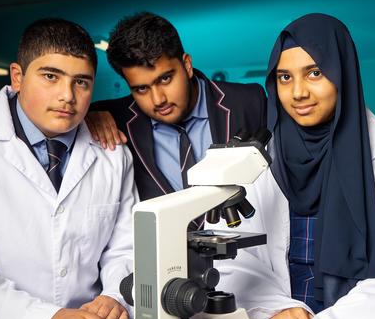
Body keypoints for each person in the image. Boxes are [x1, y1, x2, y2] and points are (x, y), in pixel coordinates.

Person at [212, 13, 375, 319]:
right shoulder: (259, 159)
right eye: (284, 77)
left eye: (315, 73)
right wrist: (275, 308)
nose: (298, 93)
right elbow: (232, 256)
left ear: (342, 72)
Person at [0, 18, 137, 319]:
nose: (67, 96)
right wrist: (50, 317)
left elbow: (125, 248)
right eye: (50, 76)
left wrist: (114, 297)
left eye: (81, 82)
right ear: (17, 77)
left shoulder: (113, 153)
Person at [87, 12, 266, 228]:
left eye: (165, 79)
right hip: (162, 257)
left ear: (187, 65)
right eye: (141, 88)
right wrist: (89, 118)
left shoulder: (248, 102)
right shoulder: (113, 119)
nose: (158, 99)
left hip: (244, 253)